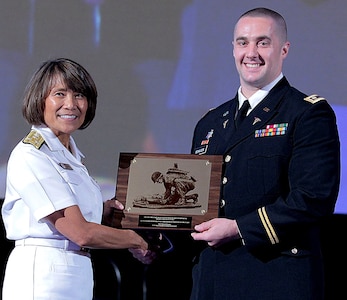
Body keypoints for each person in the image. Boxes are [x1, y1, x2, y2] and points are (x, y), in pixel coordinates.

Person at [190, 7, 340, 300]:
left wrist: (237, 228)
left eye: (263, 42)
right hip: (212, 280)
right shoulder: (209, 122)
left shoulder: (307, 113)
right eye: (243, 42)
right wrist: (156, 237)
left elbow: (313, 199)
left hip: (276, 277)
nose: (251, 52)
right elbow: (195, 204)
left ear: (284, 49)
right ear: (233, 48)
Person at [1, 58, 156, 300]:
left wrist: (105, 211)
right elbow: (79, 232)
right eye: (59, 94)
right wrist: (133, 239)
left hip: (76, 272)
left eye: (79, 95)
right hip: (43, 274)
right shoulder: (32, 154)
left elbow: (78, 219)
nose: (71, 104)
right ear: (39, 99)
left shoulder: (71, 155)